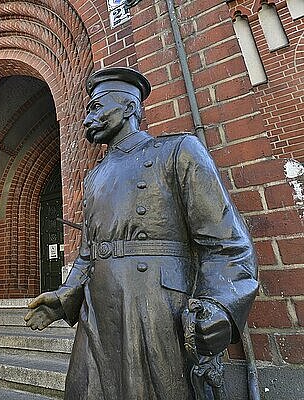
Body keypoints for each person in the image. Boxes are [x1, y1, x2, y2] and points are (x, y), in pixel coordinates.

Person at [24, 67, 258, 399]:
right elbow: (90, 253)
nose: (88, 117)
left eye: (97, 107)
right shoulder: (95, 178)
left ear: (130, 107)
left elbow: (227, 242)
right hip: (98, 310)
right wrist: (64, 297)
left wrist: (219, 304)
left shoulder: (178, 151)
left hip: (157, 306)